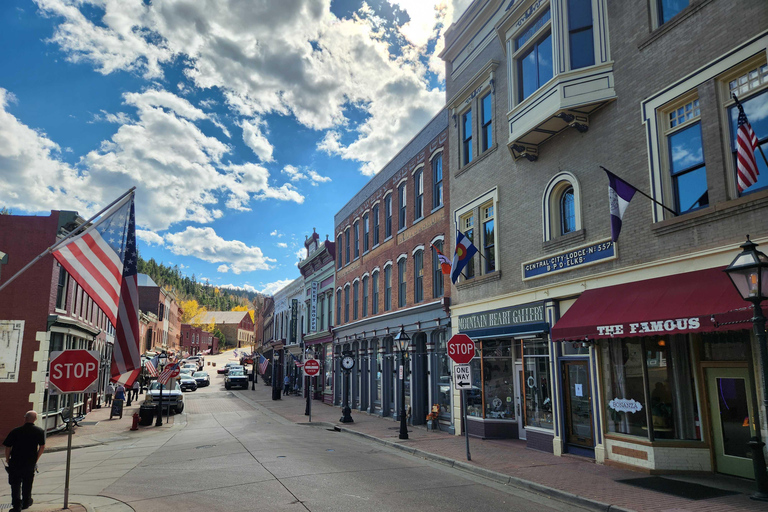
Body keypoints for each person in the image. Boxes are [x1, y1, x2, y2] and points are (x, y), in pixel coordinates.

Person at [3, 411, 45, 512]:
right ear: (35, 419)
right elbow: (42, 447)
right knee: (27, 483)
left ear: (25, 418)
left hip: (15, 462)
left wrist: (7, 459)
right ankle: (26, 502)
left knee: (15, 484)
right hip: (29, 462)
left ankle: (17, 506)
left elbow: (8, 447)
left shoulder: (15, 431)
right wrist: (36, 459)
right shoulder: (39, 431)